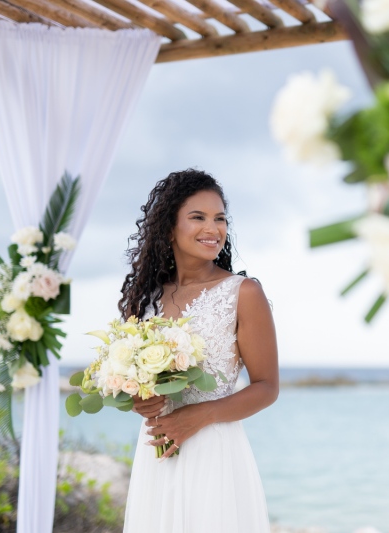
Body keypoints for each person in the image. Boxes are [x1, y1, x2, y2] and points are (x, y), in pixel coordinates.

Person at [119, 169, 279, 532]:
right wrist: (139, 400)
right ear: (169, 228)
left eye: (220, 218)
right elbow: (138, 386)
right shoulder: (145, 300)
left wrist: (200, 416)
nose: (213, 228)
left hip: (215, 454)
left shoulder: (243, 293)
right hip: (157, 454)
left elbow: (267, 387)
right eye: (198, 217)